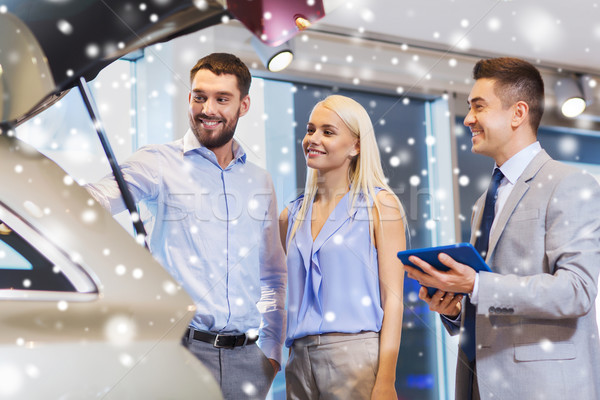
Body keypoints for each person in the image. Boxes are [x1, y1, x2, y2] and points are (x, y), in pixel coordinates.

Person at [87, 53, 286, 400]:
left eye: (222, 99)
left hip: (247, 363)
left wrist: (271, 354)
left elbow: (273, 276)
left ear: (244, 105)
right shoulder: (156, 163)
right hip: (180, 353)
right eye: (199, 96)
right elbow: (93, 200)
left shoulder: (260, 181)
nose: (208, 108)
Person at [404, 57, 600, 399]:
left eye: (478, 107)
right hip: (479, 383)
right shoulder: (485, 200)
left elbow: (577, 290)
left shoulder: (570, 184)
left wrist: (477, 284)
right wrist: (454, 309)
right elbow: (493, 297)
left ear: (518, 113)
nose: (468, 119)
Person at [279, 95, 405, 400]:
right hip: (298, 359)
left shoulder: (380, 205)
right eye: (311, 130)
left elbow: (394, 301)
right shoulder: (290, 216)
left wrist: (386, 380)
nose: (313, 139)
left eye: (328, 132)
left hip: (356, 358)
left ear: (356, 146)